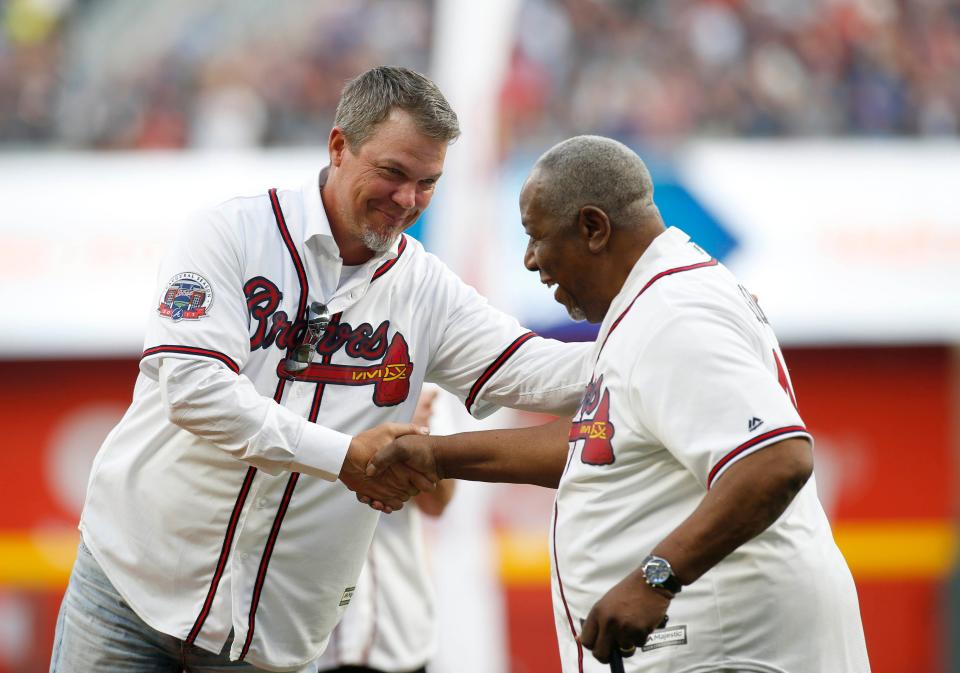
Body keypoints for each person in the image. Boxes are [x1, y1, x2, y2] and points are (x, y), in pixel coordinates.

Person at [49, 67, 589, 672]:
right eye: (392, 173)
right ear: (338, 146)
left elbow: (537, 370)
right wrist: (344, 456)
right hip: (130, 591)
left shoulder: (427, 288)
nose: (407, 199)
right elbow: (195, 390)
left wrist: (662, 330)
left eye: (427, 182)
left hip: (272, 637)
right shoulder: (230, 233)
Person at [367, 135, 872, 672]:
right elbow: (601, 443)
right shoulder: (650, 301)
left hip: (732, 646)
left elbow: (777, 459)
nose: (531, 260)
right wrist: (439, 455)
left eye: (537, 237)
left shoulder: (673, 312)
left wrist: (657, 576)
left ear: (593, 228)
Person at [316, 387, 453, 673]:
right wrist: (376, 426)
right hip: (300, 627)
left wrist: (411, 440)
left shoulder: (421, 360)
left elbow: (437, 502)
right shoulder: (276, 354)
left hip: (396, 626)